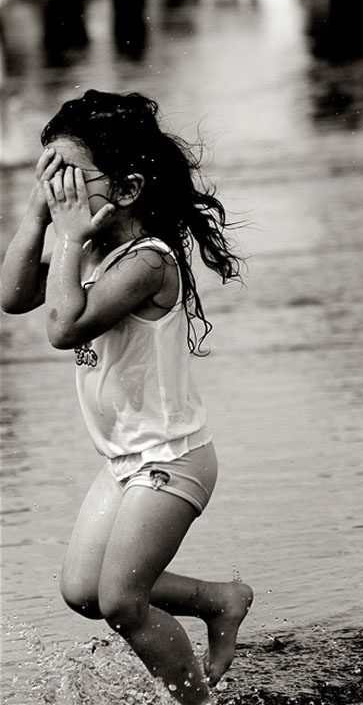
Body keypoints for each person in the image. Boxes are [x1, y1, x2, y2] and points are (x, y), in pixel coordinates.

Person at [0, 90, 253, 705]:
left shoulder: (147, 262)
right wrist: (38, 217)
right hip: (124, 461)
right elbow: (12, 297)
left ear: (130, 188)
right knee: (82, 590)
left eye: (69, 178)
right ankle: (220, 599)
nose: (57, 189)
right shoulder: (83, 247)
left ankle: (195, 704)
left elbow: (63, 327)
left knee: (120, 601)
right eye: (48, 176)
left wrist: (64, 239)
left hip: (172, 458)